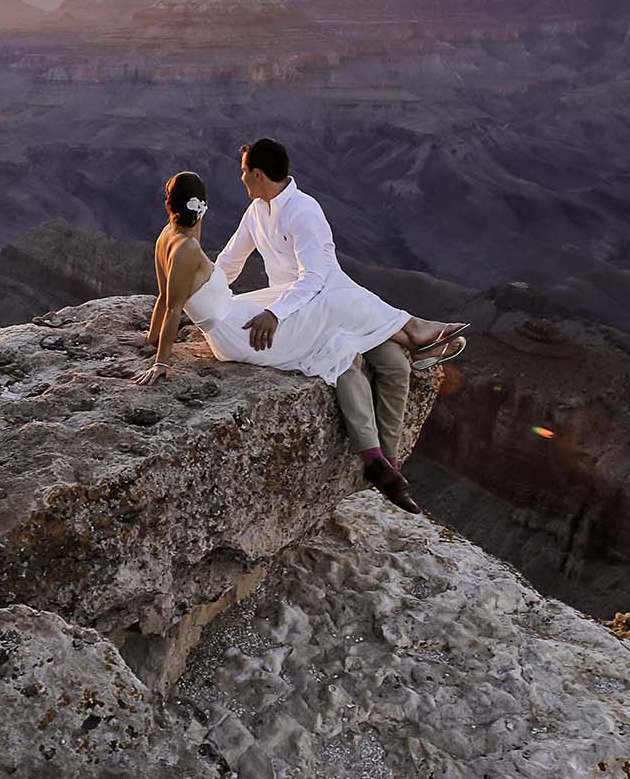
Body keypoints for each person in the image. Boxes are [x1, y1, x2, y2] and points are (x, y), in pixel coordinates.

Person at [136, 141, 468, 514]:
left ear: (258, 174)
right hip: (300, 311)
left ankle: (388, 463)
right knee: (346, 361)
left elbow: (315, 279)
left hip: (317, 301)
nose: (240, 176)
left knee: (394, 365)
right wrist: (210, 300)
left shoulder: (304, 212)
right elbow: (228, 263)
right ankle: (413, 338)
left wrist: (267, 312)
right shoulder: (255, 212)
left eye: (244, 170)